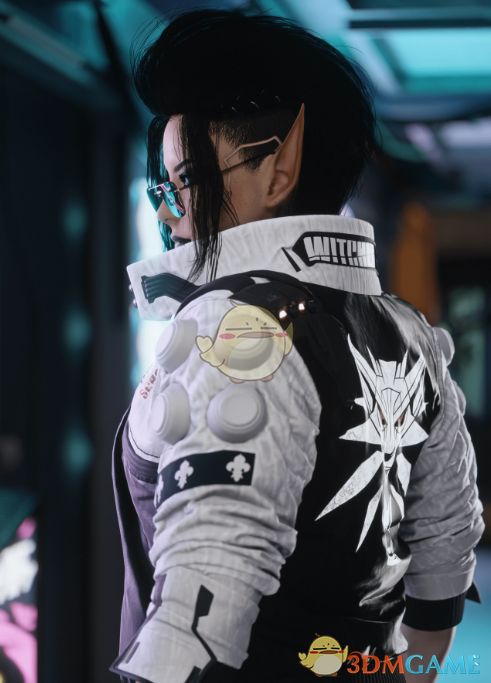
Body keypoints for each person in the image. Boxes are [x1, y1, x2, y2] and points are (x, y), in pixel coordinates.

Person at [110, 9, 484, 683]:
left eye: (186, 180)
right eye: (163, 188)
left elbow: (194, 628)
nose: (168, 213)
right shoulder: (410, 331)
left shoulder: (237, 327)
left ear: (278, 167)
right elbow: (442, 567)